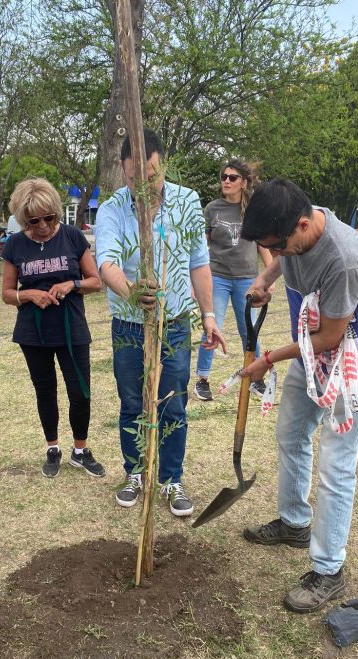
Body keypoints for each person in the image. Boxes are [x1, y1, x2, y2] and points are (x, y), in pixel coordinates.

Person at [239, 178, 358, 613]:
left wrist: (268, 358)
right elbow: (283, 262)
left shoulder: (343, 260)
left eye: (279, 248)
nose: (278, 255)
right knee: (290, 434)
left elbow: (329, 337)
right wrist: (265, 277)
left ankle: (328, 571)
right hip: (311, 352)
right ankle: (294, 522)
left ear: (303, 226)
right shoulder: (298, 224)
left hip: (350, 360)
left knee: (335, 464)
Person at [95, 129, 226, 517]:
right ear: (123, 169)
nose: (144, 184)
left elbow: (198, 263)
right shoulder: (112, 209)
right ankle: (135, 472)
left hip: (174, 324)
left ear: (162, 164)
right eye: (135, 177)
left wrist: (209, 316)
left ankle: (171, 479)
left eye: (151, 175)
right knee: (133, 402)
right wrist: (130, 290)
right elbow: (107, 263)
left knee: (173, 403)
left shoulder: (187, 202)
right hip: (129, 325)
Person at [1, 177, 105, 478]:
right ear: (23, 219)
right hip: (34, 334)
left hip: (71, 328)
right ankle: (53, 448)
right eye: (34, 221)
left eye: (49, 217)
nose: (43, 225)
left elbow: (95, 281)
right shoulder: (16, 245)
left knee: (80, 391)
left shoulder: (72, 236)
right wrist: (28, 294)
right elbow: (7, 293)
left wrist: (70, 284)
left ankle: (81, 450)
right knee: (45, 391)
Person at [194, 158, 273, 401]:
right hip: (216, 276)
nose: (226, 181)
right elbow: (201, 245)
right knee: (211, 325)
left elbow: (263, 244)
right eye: (224, 177)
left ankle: (256, 378)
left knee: (248, 330)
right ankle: (202, 380)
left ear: (244, 182)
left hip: (246, 278)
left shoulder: (252, 210)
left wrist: (270, 277)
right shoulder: (212, 209)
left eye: (232, 177)